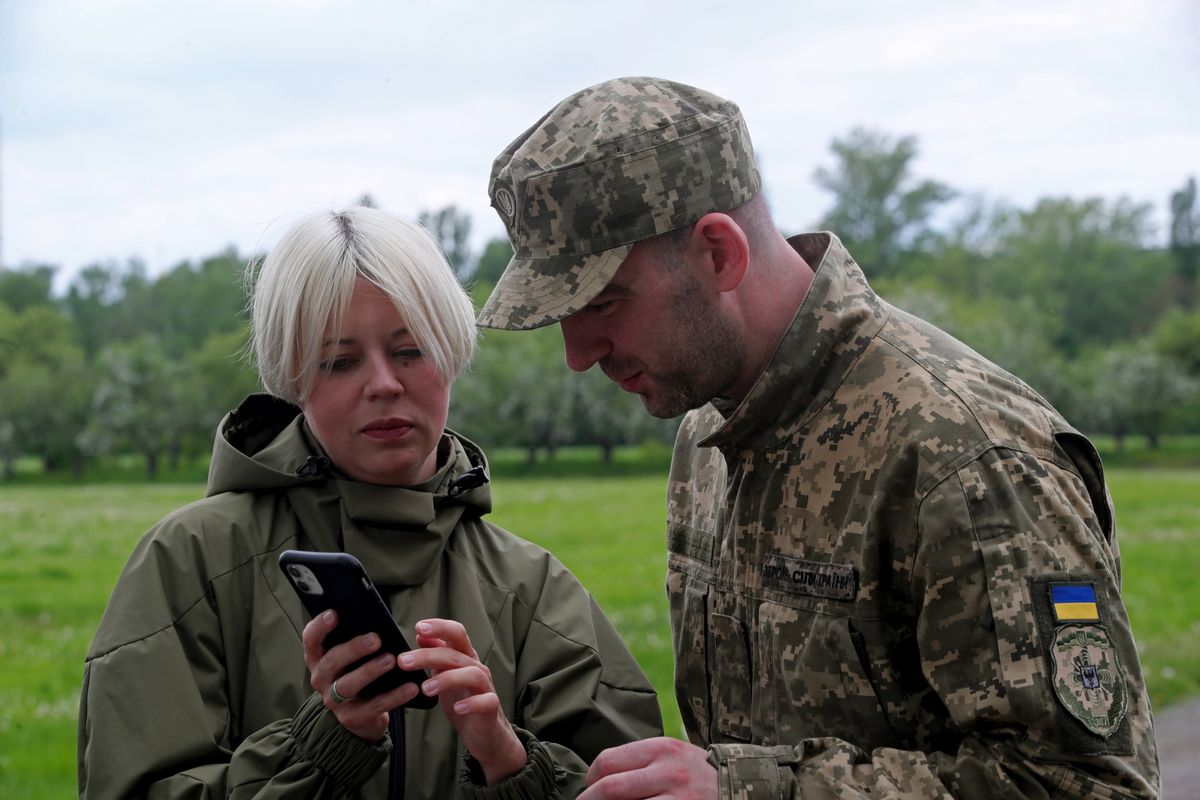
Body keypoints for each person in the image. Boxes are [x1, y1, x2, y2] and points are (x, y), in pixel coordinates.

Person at [477, 77, 1160, 799]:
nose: (578, 354)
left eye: (604, 302)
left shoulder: (964, 454)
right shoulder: (709, 435)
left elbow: (1088, 786)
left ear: (718, 253)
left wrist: (748, 790)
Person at [77, 206, 663, 798]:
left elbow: (633, 782)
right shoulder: (190, 563)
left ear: (453, 354)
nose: (383, 383)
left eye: (410, 351)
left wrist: (508, 763)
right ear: (292, 377)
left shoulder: (536, 593)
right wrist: (322, 746)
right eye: (340, 361)